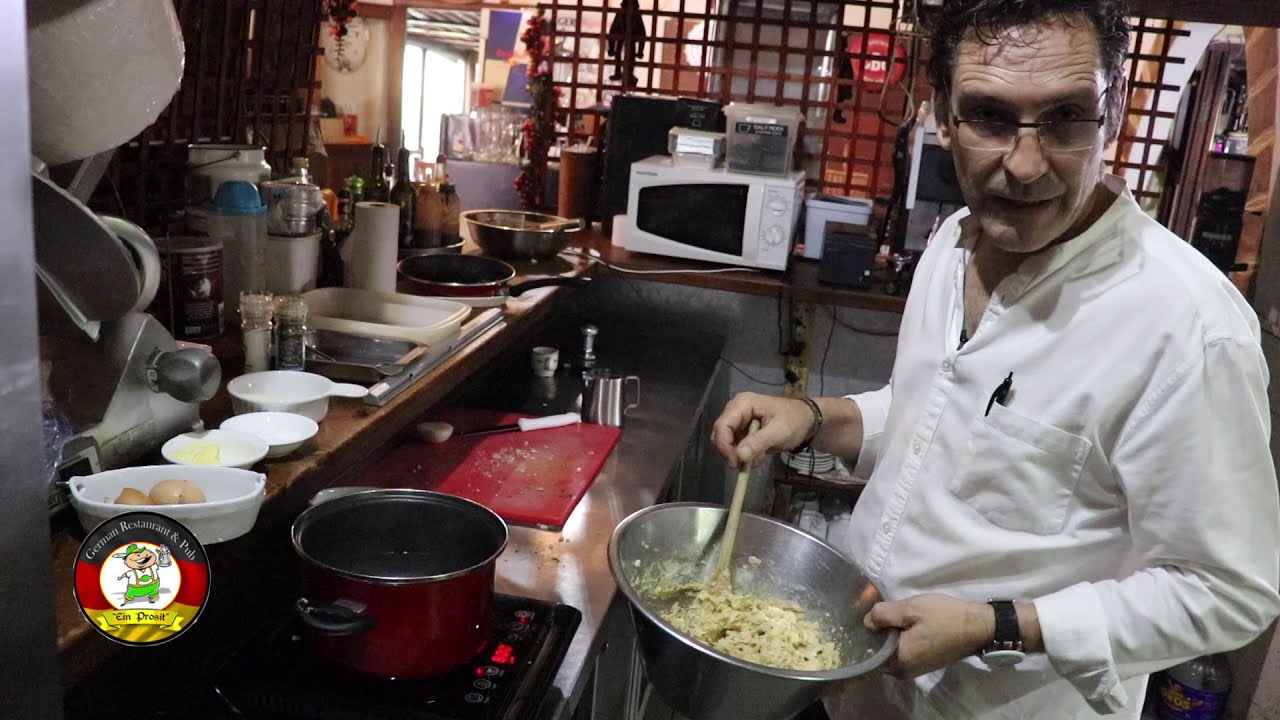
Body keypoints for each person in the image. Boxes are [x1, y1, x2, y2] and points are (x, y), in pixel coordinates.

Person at [711, 1, 1280, 717]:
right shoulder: (952, 242)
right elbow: (935, 421)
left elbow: (1228, 592)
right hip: (856, 679)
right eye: (989, 117)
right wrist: (813, 416)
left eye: (1069, 116)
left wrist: (998, 625)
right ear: (941, 115)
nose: (1025, 164)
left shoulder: (1186, 327)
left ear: (1119, 108)